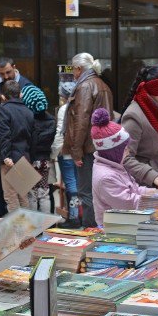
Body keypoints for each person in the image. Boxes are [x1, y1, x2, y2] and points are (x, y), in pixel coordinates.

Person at [61, 52, 113, 228]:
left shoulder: (85, 86)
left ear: (78, 68)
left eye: (74, 71)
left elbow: (81, 121)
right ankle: (98, 227)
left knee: (87, 191)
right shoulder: (102, 84)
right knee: (99, 191)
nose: (74, 75)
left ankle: (90, 229)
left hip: (88, 148)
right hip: (102, 146)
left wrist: (76, 151)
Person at [90, 108, 157, 226]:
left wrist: (154, 192)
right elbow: (129, 203)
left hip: (124, 223)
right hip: (114, 228)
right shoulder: (106, 177)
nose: (128, 151)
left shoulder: (114, 166)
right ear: (114, 152)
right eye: (125, 149)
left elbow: (133, 189)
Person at [0, 80, 33, 212]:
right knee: (23, 196)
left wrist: (5, 155)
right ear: (20, 94)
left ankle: (17, 232)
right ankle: (28, 231)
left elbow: (4, 134)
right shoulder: (28, 111)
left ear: (3, 96)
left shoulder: (3, 109)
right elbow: (31, 136)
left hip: (10, 158)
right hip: (25, 156)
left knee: (11, 197)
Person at [21, 85, 56, 212]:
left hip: (31, 160)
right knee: (44, 193)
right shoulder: (52, 119)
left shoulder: (28, 120)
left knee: (31, 194)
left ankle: (34, 229)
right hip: (45, 161)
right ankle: (46, 226)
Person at [52, 81, 81, 228]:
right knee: (78, 182)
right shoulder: (82, 106)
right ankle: (79, 214)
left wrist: (54, 152)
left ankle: (73, 217)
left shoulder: (64, 109)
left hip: (66, 151)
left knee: (70, 183)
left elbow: (60, 132)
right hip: (80, 151)